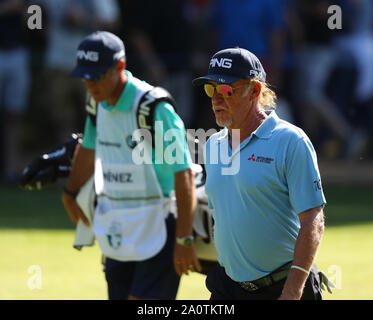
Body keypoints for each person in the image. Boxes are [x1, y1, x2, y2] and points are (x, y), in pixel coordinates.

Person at [63, 31, 201, 300]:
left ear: (120, 67)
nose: (90, 84)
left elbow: (183, 173)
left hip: (160, 224)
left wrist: (185, 239)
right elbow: (89, 148)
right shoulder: (97, 103)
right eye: (85, 77)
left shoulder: (154, 108)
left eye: (98, 76)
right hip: (118, 224)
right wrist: (70, 193)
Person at [192, 47, 326, 300]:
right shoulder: (213, 145)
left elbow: (313, 221)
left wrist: (293, 291)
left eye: (226, 90)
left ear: (255, 90)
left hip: (284, 288)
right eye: (211, 89)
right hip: (228, 287)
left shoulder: (290, 141)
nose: (216, 99)